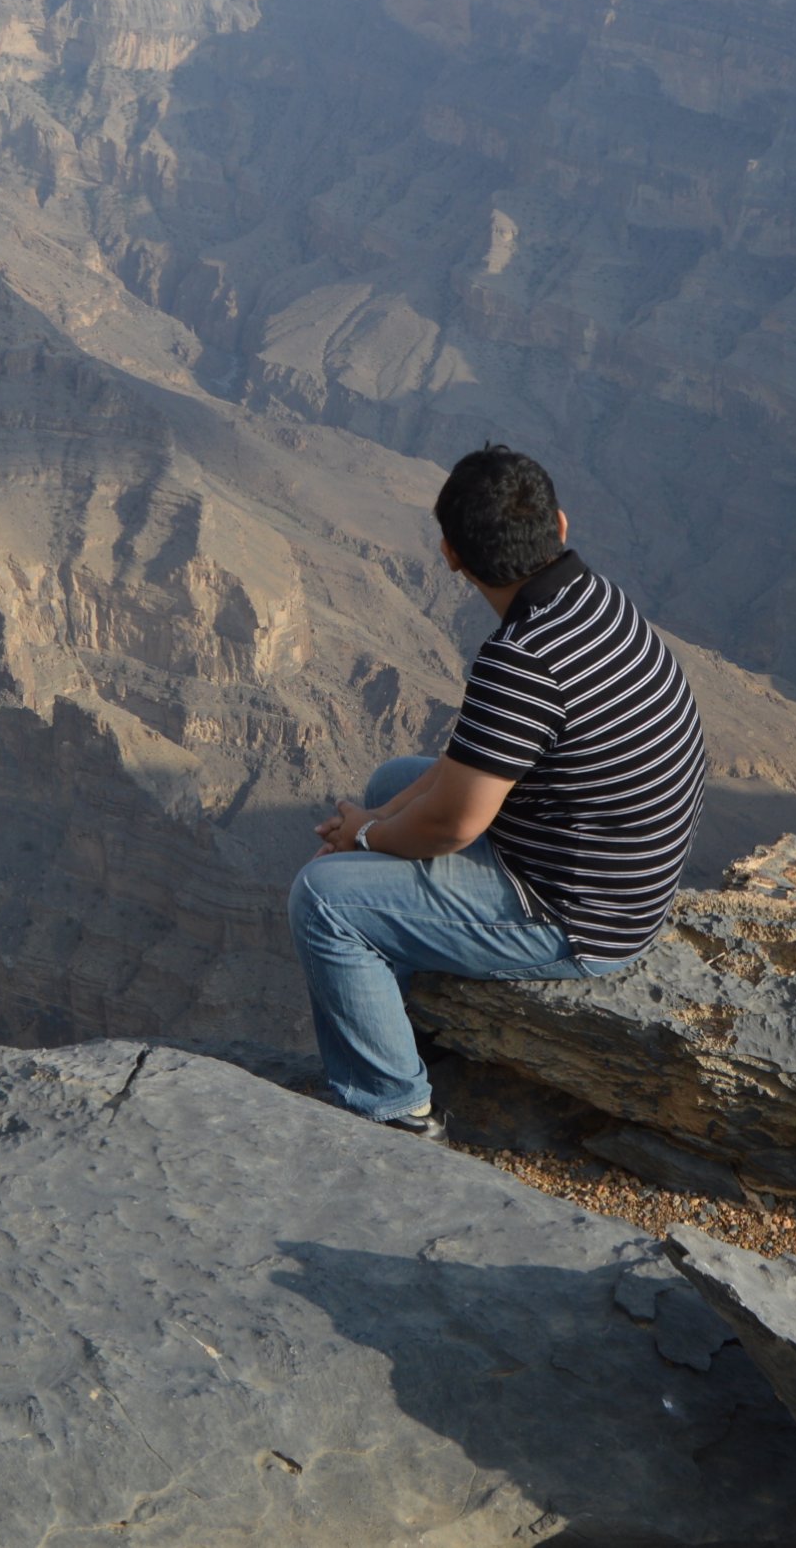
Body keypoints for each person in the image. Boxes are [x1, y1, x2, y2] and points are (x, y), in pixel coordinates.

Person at [290, 445, 707, 1138]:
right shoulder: (594, 599)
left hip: (579, 917)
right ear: (560, 526)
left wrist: (362, 836)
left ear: (452, 556)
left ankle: (393, 1113)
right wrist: (380, 814)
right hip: (616, 871)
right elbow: (466, 765)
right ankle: (403, 1002)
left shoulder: (523, 661)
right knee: (392, 779)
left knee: (323, 899)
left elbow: (453, 826)